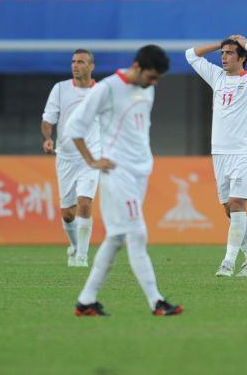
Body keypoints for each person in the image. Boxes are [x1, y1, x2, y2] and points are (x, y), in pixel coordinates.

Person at [67, 45, 182, 316]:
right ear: (137, 67)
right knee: (137, 233)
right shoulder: (107, 88)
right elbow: (74, 127)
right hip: (117, 172)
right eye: (151, 77)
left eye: (157, 79)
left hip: (140, 172)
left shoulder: (147, 88)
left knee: (117, 236)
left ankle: (86, 301)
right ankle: (156, 301)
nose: (154, 83)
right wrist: (92, 161)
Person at [185, 35, 247, 277]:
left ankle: (228, 262)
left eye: (229, 53)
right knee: (230, 209)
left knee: (237, 204)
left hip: (244, 152)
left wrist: (245, 44)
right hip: (219, 152)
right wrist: (221, 43)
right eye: (222, 53)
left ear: (242, 58)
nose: (223, 57)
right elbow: (191, 54)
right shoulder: (217, 77)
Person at [41, 49, 100, 268]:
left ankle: (82, 257)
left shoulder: (101, 92)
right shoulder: (60, 89)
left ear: (91, 66)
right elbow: (48, 119)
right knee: (68, 213)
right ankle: (75, 246)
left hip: (91, 156)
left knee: (85, 202)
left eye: (81, 62)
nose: (76, 65)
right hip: (65, 156)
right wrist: (48, 138)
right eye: (74, 62)